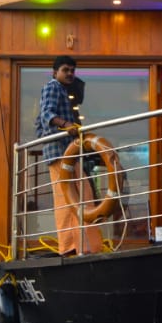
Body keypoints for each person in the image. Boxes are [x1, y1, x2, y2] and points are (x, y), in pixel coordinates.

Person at [35, 55, 103, 255]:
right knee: (66, 200)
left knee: (84, 195)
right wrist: (66, 125)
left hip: (68, 152)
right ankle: (69, 247)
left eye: (72, 70)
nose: (70, 74)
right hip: (59, 152)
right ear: (55, 72)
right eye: (66, 70)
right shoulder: (52, 86)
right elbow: (46, 113)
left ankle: (86, 246)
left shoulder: (64, 91)